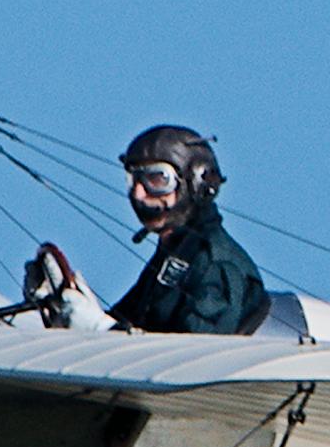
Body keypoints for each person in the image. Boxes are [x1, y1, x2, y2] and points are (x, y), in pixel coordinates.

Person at [107, 123, 271, 335]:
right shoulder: (173, 255)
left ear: (196, 182)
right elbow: (127, 319)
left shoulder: (216, 264)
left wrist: (101, 327)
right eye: (133, 179)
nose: (138, 194)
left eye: (157, 179)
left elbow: (197, 347)